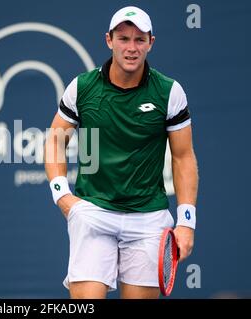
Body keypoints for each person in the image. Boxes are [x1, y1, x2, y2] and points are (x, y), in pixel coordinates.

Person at [44, 6, 198, 299]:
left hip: (149, 219)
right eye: (123, 38)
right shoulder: (82, 87)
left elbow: (183, 156)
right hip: (93, 211)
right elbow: (54, 140)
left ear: (151, 43)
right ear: (109, 40)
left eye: (139, 40)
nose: (131, 47)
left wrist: (186, 222)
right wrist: (62, 196)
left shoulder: (169, 92)